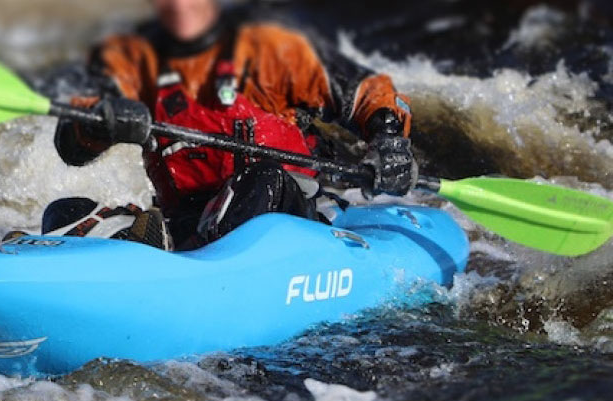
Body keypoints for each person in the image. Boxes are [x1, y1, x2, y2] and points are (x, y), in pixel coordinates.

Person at [45, 0, 416, 250]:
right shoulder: (129, 60)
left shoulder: (270, 49)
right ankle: (151, 249)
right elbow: (72, 145)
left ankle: (184, 259)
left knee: (262, 179)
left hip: (282, 214)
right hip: (188, 221)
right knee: (64, 213)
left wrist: (389, 140)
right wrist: (100, 125)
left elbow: (367, 92)